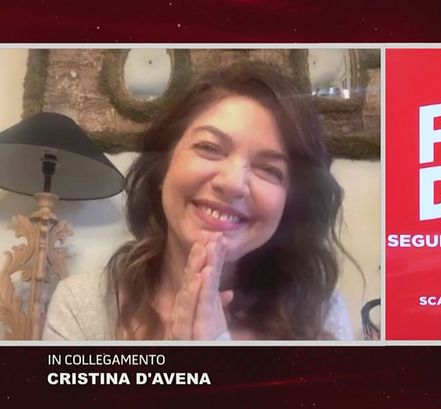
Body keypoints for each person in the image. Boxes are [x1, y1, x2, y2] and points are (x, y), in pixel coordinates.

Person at [43, 63, 354, 340]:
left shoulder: (321, 316)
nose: (233, 183)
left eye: (269, 169)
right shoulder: (83, 307)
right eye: (209, 148)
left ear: (290, 203)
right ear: (163, 167)